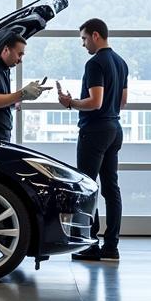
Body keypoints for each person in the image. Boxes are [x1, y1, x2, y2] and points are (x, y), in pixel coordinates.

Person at [57, 18, 128, 262]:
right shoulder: (121, 62)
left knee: (86, 186)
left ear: (96, 35)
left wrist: (70, 103)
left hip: (95, 130)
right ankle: (112, 247)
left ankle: (89, 245)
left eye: (84, 38)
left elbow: (94, 102)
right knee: (111, 188)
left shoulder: (95, 63)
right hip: (114, 128)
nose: (83, 44)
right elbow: (122, 101)